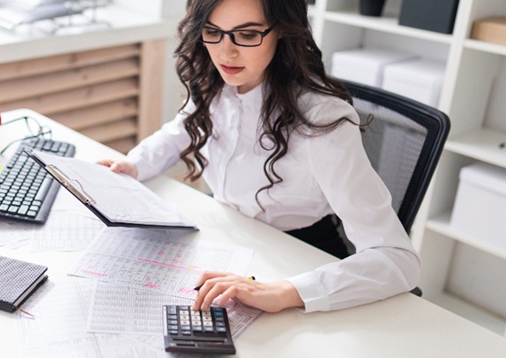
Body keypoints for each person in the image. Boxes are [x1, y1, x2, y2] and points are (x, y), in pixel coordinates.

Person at [97, 0, 420, 314]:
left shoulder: (322, 118)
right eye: (213, 31)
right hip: (229, 235)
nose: (226, 52)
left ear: (283, 31)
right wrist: (135, 163)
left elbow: (397, 259)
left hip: (300, 254)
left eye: (248, 35)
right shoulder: (214, 82)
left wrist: (286, 292)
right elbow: (176, 132)